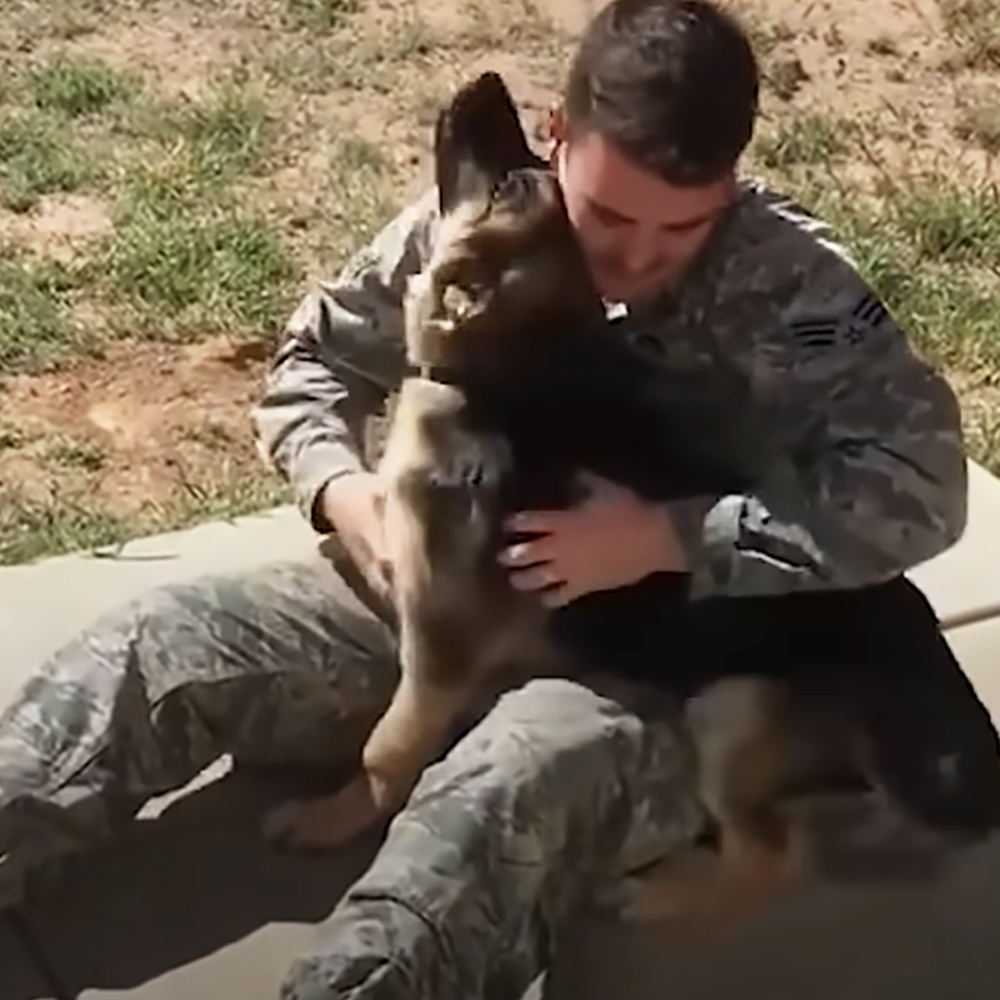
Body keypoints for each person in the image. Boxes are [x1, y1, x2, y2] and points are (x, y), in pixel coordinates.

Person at [0, 1, 971, 998]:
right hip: (455, 595)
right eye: (608, 214)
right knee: (162, 646)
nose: (635, 257)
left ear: (731, 180)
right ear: (557, 136)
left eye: (682, 226)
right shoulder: (487, 227)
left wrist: (669, 536)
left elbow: (920, 495)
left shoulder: (795, 287)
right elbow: (314, 363)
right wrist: (347, 497)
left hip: (670, 664)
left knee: (501, 795)